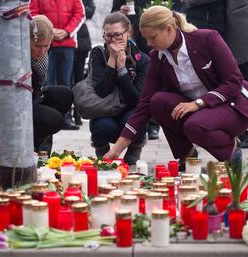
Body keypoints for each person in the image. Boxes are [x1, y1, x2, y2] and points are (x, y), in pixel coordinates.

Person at [104, 6, 248, 168]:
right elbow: (144, 105)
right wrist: (116, 150)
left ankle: (231, 150)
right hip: (199, 110)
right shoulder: (158, 58)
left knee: (194, 125)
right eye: (146, 39)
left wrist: (198, 103)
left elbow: (233, 82)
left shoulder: (207, 39)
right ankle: (187, 155)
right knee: (157, 102)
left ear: (169, 29)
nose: (149, 44)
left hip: (233, 105)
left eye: (153, 37)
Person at [0, 15, 73, 154]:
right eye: (37, 46)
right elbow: (0, 90)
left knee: (64, 94)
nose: (42, 51)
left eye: (46, 46)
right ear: (25, 39)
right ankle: (19, 147)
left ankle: (40, 146)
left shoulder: (44, 46)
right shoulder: (12, 53)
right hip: (9, 101)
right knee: (54, 120)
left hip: (33, 93)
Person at [89, 12, 149, 164]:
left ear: (128, 33)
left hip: (129, 111)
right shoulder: (98, 54)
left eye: (117, 35)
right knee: (102, 126)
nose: (113, 40)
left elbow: (136, 100)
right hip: (105, 110)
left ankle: (135, 148)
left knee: (134, 118)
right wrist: (111, 60)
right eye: (108, 36)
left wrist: (122, 69)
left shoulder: (142, 60)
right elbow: (101, 91)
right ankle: (102, 150)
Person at [29, 0, 85, 130]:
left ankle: (65, 119)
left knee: (65, 82)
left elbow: (79, 14)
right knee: (44, 81)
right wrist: (49, 31)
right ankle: (45, 116)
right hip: (45, 40)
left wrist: (67, 31)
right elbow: (32, 13)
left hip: (67, 42)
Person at [112, 0, 161, 140]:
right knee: (140, 85)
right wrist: (120, 12)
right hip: (130, 39)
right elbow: (112, 15)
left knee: (156, 83)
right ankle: (138, 122)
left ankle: (153, 125)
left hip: (152, 37)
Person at [72, 0, 95, 126]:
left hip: (81, 40)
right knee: (65, 81)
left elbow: (91, 11)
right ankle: (67, 114)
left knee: (79, 80)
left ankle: (77, 114)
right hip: (66, 40)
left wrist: (76, 10)